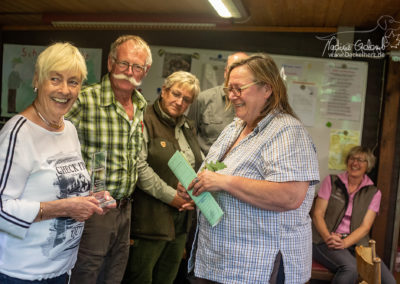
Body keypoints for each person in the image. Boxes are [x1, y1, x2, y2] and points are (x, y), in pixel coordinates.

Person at [178, 54, 320, 283]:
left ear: (267, 89)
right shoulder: (235, 128)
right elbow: (211, 174)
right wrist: (195, 186)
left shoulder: (287, 131)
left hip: (258, 267)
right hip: (218, 261)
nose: (231, 96)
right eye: (229, 89)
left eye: (238, 88)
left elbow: (290, 196)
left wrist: (223, 182)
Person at [0, 42, 115, 283]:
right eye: (55, 79)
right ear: (37, 80)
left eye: (73, 82)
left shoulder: (69, 129)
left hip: (61, 271)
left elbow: (63, 186)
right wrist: (65, 208)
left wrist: (90, 199)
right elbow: (2, 209)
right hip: (20, 274)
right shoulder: (18, 133)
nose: (64, 90)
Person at [66, 35, 152, 283]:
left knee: (115, 273)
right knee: (86, 273)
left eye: (137, 67)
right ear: (110, 63)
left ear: (145, 71)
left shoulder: (141, 105)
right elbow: (52, 151)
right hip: (93, 210)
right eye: (124, 64)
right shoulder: (84, 100)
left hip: (125, 208)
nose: (129, 72)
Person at [122, 71, 203, 284]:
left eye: (186, 99)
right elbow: (139, 168)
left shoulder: (187, 126)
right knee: (141, 278)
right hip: (150, 220)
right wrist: (171, 196)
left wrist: (193, 194)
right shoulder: (144, 118)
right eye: (176, 94)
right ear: (164, 91)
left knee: (167, 278)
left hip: (181, 220)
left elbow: (195, 163)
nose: (179, 102)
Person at [312, 146, 396, 284]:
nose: (355, 163)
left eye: (361, 160)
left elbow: (365, 227)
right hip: (324, 240)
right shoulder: (332, 181)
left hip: (356, 243)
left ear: (368, 165)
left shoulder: (373, 192)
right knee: (350, 269)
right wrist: (329, 237)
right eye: (352, 158)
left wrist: (345, 242)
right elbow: (317, 214)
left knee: (388, 281)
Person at [187, 52, 248, 155]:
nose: (237, 73)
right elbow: (189, 139)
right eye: (233, 68)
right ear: (225, 72)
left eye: (243, 69)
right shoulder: (203, 99)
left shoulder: (254, 103)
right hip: (206, 166)